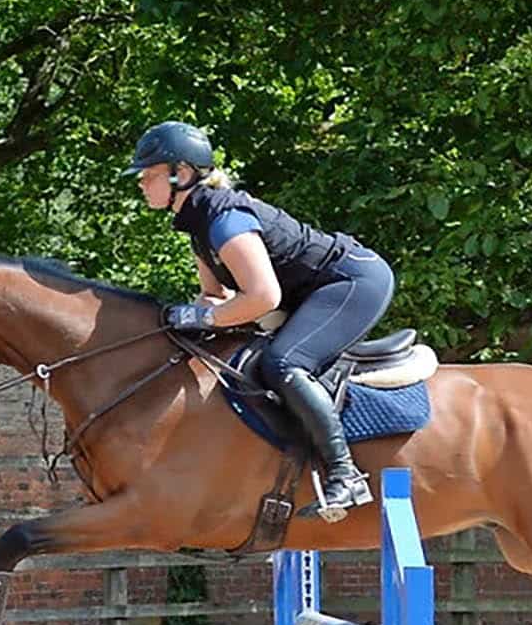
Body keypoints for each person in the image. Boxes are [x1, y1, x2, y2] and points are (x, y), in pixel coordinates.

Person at [125, 120, 394, 520]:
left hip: (354, 282)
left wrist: (203, 316)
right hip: (313, 292)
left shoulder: (223, 218)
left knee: (283, 362)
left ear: (180, 174)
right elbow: (215, 297)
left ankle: (346, 474)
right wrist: (183, 323)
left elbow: (263, 296)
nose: (142, 184)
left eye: (148, 175)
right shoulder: (197, 224)